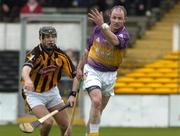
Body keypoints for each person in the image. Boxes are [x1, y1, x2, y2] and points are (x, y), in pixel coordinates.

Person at [76, 5, 129, 136]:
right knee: (96, 101)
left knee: (97, 111)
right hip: (92, 70)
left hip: (110, 75)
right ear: (110, 17)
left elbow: (114, 41)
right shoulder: (97, 29)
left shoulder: (124, 34)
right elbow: (87, 50)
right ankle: (95, 134)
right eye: (114, 17)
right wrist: (79, 67)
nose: (116, 21)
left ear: (125, 19)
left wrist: (102, 25)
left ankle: (88, 134)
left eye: (120, 18)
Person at [21, 26, 79, 136]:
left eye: (53, 36)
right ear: (41, 38)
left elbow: (75, 76)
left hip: (52, 92)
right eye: (47, 37)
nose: (50, 39)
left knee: (67, 129)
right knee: (47, 122)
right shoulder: (34, 53)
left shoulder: (61, 55)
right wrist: (27, 80)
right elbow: (25, 69)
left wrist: (73, 94)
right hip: (34, 94)